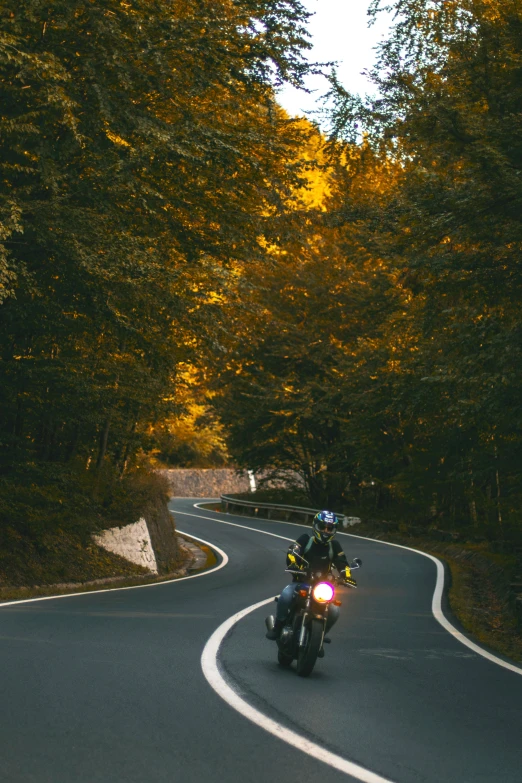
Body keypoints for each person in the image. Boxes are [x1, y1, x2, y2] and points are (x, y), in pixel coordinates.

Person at [266, 510, 357, 641]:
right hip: (301, 582)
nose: (326, 531)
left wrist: (347, 576)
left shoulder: (334, 546)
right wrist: (293, 565)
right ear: (315, 526)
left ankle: (320, 635)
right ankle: (278, 627)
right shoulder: (306, 539)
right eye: (323, 527)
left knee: (334, 610)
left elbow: (342, 563)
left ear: (334, 530)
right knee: (285, 596)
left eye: (330, 528)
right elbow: (293, 552)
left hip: (323, 586)